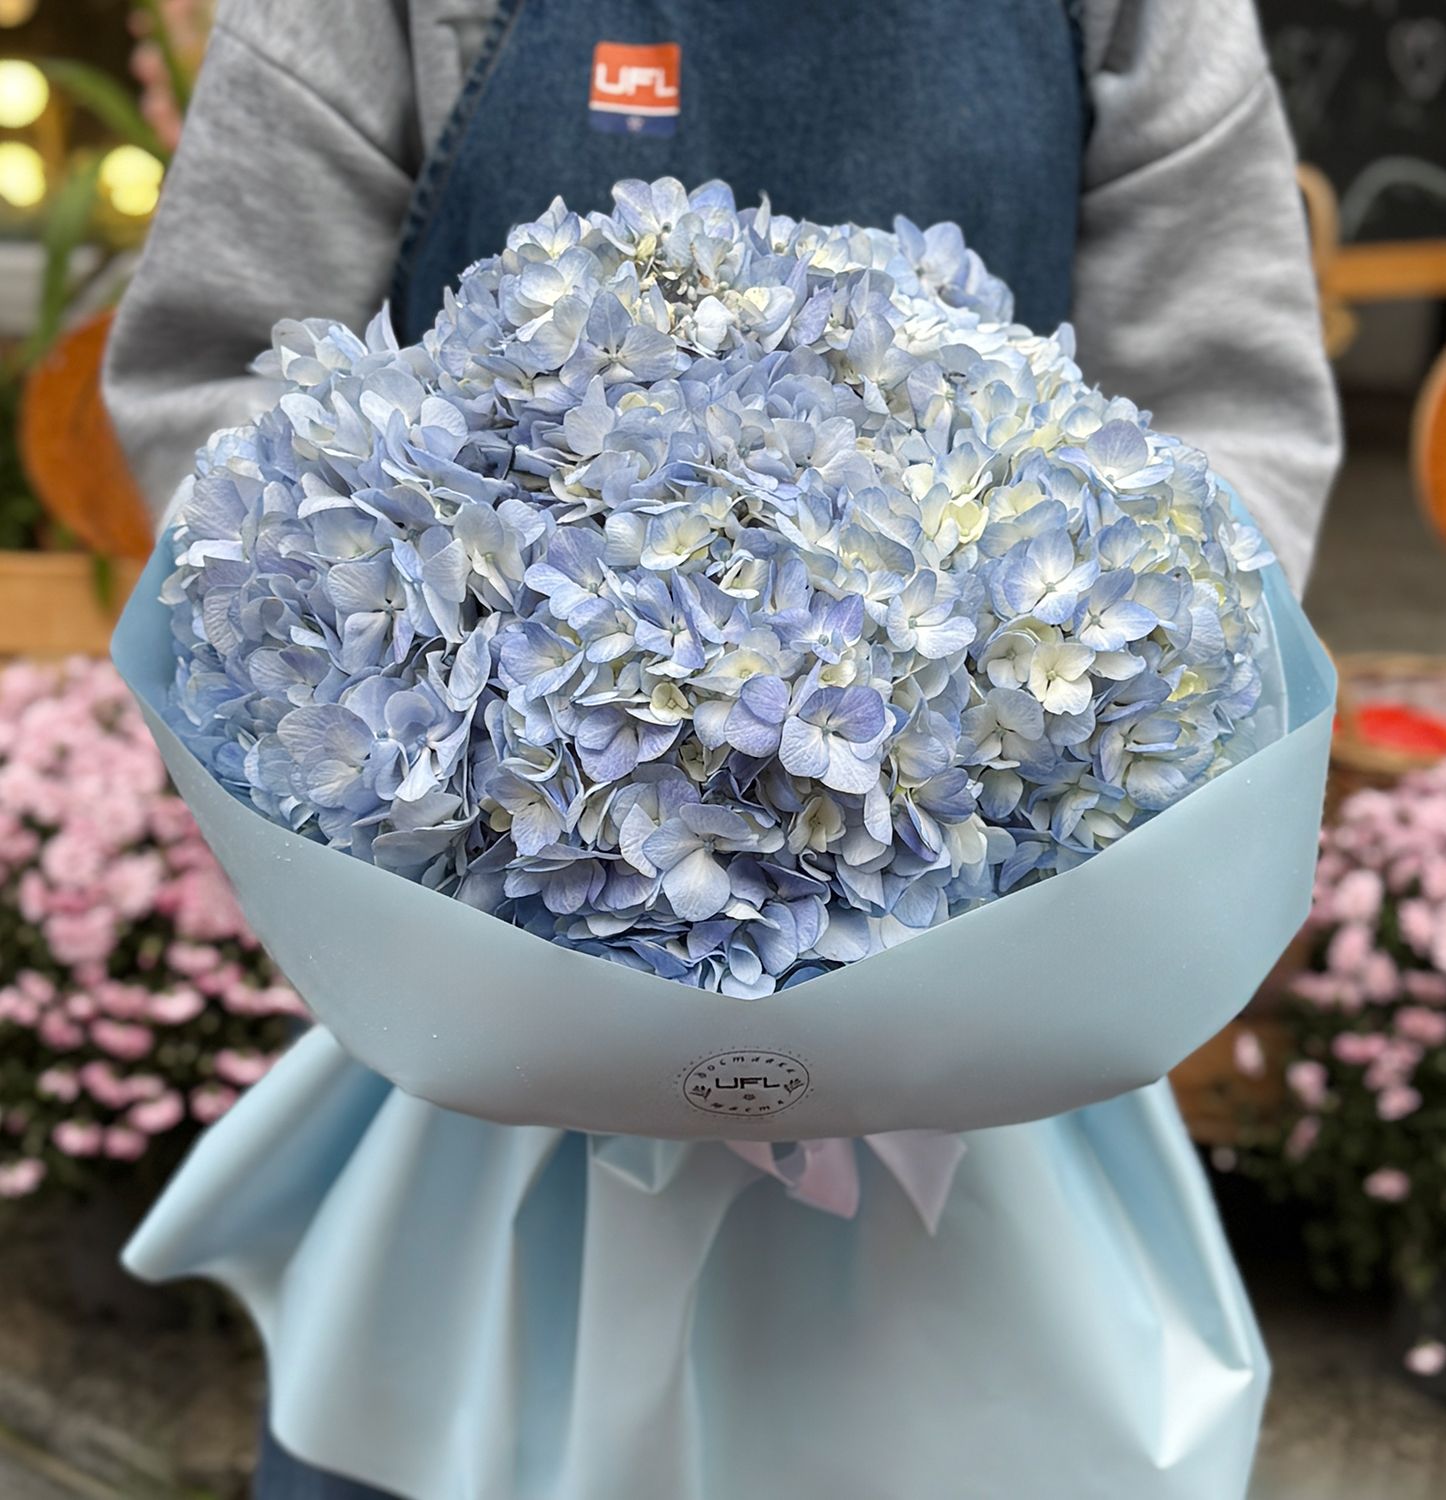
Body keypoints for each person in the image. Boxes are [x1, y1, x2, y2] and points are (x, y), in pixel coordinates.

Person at [104, 3, 1340, 1496]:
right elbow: (220, 393)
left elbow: (1226, 425)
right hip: (485, 961)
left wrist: (1023, 811)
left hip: (997, 1001)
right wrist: (459, 790)